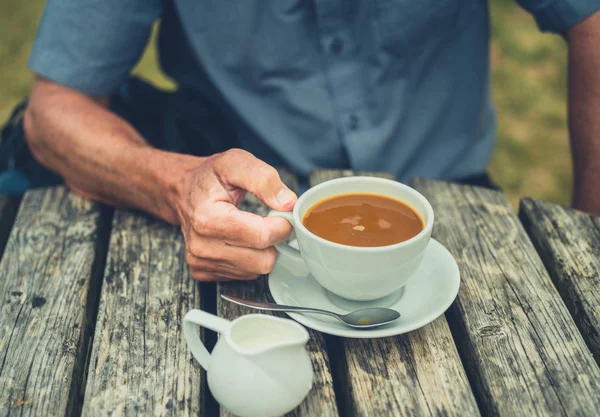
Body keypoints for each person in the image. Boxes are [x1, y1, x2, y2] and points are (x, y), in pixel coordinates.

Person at [1, 1, 598, 281]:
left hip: (453, 204)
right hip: (242, 218)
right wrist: (177, 185)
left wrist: (588, 239)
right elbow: (56, 111)